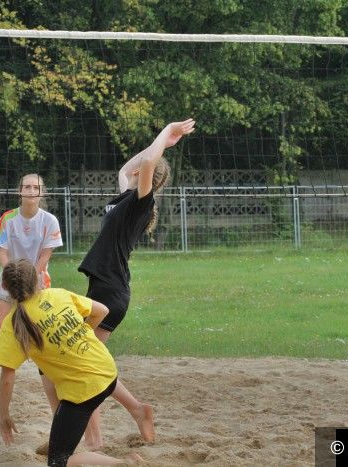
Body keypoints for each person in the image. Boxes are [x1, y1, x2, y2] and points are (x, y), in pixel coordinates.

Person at [77, 118, 196, 447]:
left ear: (146, 176)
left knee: (85, 362)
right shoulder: (124, 199)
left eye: (144, 166)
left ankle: (102, 436)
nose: (134, 166)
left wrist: (167, 131)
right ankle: (131, 413)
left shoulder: (141, 203)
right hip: (103, 288)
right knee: (86, 360)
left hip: (110, 292)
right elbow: (127, 168)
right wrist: (163, 145)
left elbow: (145, 164)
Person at [0, 259, 149, 467]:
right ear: (38, 279)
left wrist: (4, 414)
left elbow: (7, 377)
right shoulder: (57, 294)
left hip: (83, 392)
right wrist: (82, 333)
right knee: (65, 429)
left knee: (58, 462)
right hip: (107, 371)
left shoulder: (13, 323)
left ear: (4, 286)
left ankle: (123, 463)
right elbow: (102, 310)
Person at [0, 173, 63, 392]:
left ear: (42, 193)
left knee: (44, 329)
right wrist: (12, 276)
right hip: (10, 278)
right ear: (20, 191)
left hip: (37, 279)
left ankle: (52, 374)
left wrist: (29, 278)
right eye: (27, 187)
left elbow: (45, 256)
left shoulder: (49, 220)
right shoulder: (8, 218)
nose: (31, 191)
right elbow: (2, 253)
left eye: (36, 187)